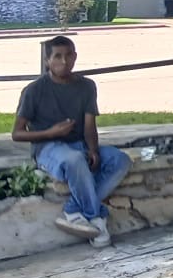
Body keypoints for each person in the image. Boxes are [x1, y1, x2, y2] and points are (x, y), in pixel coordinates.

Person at [12, 35, 130, 247]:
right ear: (47, 61)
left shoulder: (86, 86)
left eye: (69, 56)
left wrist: (93, 149)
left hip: (79, 145)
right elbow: (17, 133)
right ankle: (96, 219)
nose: (64, 62)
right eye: (57, 56)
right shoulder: (34, 90)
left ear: (75, 57)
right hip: (47, 148)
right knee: (75, 159)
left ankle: (74, 210)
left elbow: (89, 124)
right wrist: (50, 132)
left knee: (120, 160)